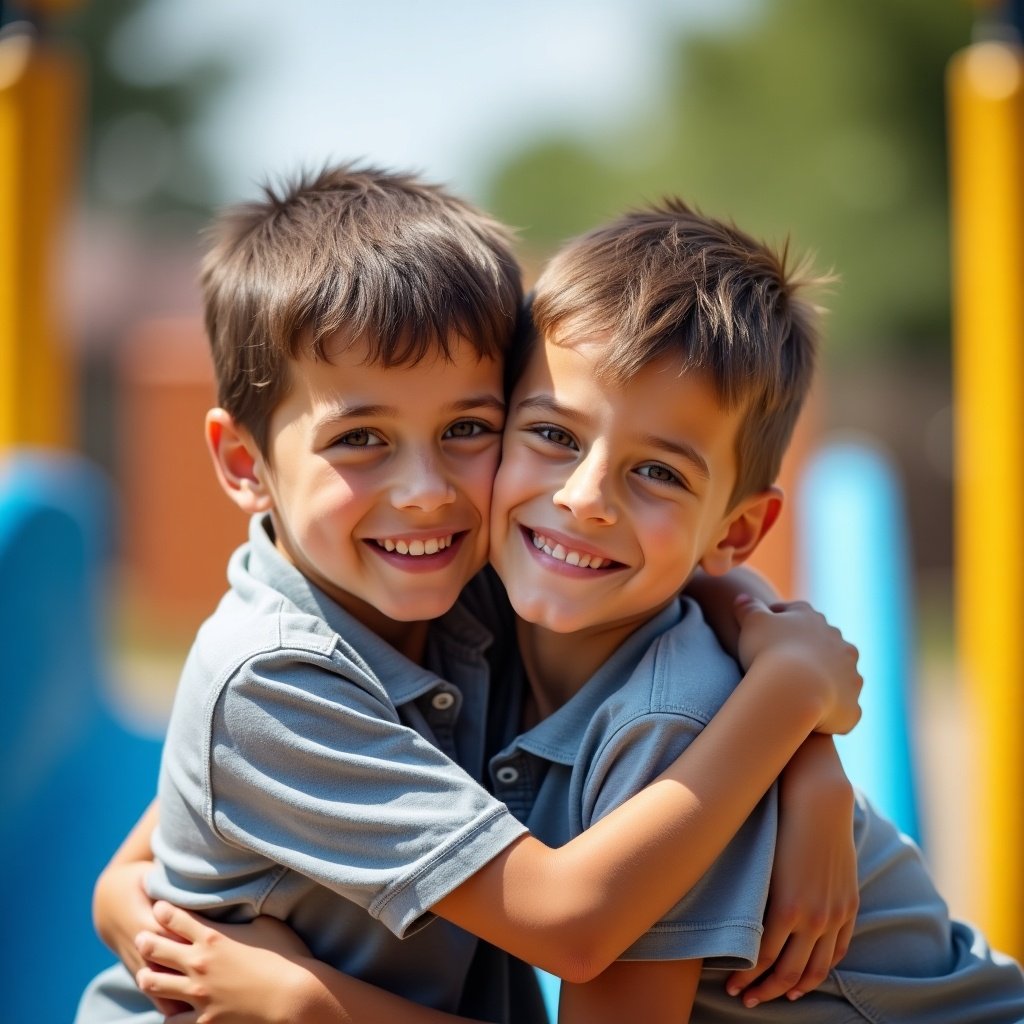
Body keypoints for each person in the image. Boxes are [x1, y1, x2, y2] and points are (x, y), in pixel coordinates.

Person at [131, 200, 1023, 1023]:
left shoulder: (665, 713)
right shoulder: (453, 605)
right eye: (553, 435)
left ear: (739, 529)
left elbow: (575, 923)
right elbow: (178, 823)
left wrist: (312, 1007)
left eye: (659, 472)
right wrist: (798, 720)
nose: (585, 499)